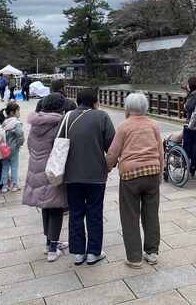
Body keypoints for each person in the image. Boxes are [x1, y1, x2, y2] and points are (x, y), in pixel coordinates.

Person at [106, 93, 163, 268]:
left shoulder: (124, 127)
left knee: (130, 216)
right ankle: (152, 253)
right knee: (151, 213)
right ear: (145, 108)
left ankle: (134, 257)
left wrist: (108, 166)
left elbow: (113, 152)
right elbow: (161, 151)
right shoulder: (153, 125)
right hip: (152, 171)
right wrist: (160, 172)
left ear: (127, 108)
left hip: (130, 175)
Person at [64, 87, 115, 265]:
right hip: (95, 174)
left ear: (78, 100)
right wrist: (110, 165)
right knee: (95, 212)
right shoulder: (102, 117)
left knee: (76, 213)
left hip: (71, 174)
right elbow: (112, 145)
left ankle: (78, 252)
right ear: (95, 101)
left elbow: (58, 142)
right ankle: (93, 252)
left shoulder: (67, 117)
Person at [23, 93, 70, 262]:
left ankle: (49, 242)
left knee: (45, 206)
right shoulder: (59, 123)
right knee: (56, 207)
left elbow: (29, 144)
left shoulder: (36, 124)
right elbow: (61, 148)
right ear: (59, 107)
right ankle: (52, 249)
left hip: (36, 168)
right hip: (52, 170)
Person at [0, 101, 25, 193]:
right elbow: (20, 134)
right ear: (12, 112)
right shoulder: (16, 123)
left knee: (5, 167)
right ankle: (14, 185)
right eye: (18, 111)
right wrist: (19, 143)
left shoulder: (4, 122)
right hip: (13, 149)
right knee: (14, 166)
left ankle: (4, 186)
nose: (19, 113)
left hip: (3, 149)